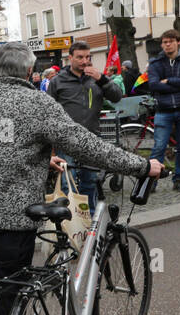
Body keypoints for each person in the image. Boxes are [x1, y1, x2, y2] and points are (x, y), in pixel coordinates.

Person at [0, 42, 160, 315]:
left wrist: (40, 161)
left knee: (1, 289)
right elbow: (86, 145)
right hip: (13, 215)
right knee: (9, 297)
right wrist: (140, 165)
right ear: (28, 72)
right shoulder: (37, 102)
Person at [46, 40, 125, 213]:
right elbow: (48, 113)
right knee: (68, 184)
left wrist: (102, 79)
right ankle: (71, 222)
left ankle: (89, 221)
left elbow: (117, 96)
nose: (84, 61)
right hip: (66, 141)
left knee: (91, 181)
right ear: (70, 58)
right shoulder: (58, 81)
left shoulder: (97, 78)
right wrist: (50, 145)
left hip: (91, 139)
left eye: (88, 57)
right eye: (80, 57)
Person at [146, 29, 180, 193]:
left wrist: (169, 81)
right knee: (159, 147)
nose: (167, 44)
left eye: (170, 41)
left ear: (178, 42)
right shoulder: (156, 63)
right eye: (164, 42)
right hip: (163, 110)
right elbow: (154, 85)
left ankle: (179, 179)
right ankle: (152, 181)